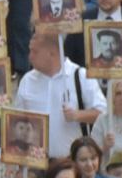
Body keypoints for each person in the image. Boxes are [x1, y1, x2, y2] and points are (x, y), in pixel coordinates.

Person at [14, 29, 107, 158]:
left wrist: (78, 115)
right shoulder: (27, 80)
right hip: (35, 164)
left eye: (34, 52)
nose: (29, 57)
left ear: (51, 53)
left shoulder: (80, 75)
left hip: (71, 163)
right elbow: (16, 120)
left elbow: (103, 113)